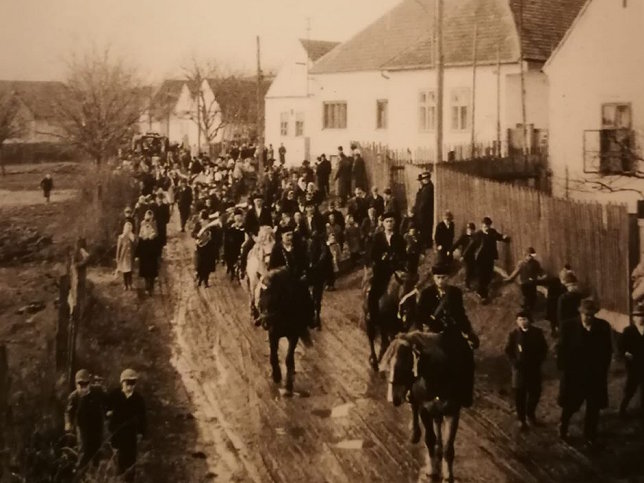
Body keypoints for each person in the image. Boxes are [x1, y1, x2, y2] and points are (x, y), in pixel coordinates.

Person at [402, 264, 479, 407]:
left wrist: (469, 332)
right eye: (438, 278)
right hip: (432, 332)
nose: (441, 281)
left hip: (451, 332)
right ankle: (410, 391)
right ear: (433, 278)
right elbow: (420, 315)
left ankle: (465, 395)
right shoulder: (427, 293)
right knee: (415, 358)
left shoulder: (455, 293)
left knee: (467, 356)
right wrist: (433, 322)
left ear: (448, 278)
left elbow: (460, 314)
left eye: (444, 278)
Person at [557, 298, 612, 445]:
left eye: (591, 315)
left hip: (595, 375)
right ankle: (563, 426)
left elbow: (608, 350)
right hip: (574, 375)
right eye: (586, 314)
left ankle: (590, 435)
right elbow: (561, 350)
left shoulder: (603, 327)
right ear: (580, 312)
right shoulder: (568, 326)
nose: (588, 318)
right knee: (571, 404)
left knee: (593, 407)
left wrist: (602, 369)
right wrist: (565, 370)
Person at [505, 311, 548, 430]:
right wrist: (514, 363)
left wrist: (539, 360)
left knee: (535, 393)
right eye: (520, 320)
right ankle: (521, 419)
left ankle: (530, 413)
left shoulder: (537, 333)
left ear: (530, 320)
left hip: (533, 369)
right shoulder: (514, 335)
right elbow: (508, 351)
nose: (523, 322)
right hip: (519, 371)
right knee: (520, 396)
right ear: (517, 322)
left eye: (525, 319)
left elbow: (544, 348)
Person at [107, 369, 146, 482]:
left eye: (133, 383)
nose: (130, 386)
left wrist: (141, 433)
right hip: (116, 435)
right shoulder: (114, 395)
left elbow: (143, 418)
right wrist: (108, 414)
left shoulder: (138, 399)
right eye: (127, 383)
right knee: (117, 463)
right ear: (122, 382)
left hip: (131, 436)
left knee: (130, 463)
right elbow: (106, 409)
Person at [367, 212, 406, 323]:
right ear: (383, 223)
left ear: (394, 223)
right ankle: (373, 315)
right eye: (387, 221)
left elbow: (403, 254)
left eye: (391, 221)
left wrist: (397, 258)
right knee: (374, 291)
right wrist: (382, 257)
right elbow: (373, 254)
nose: (389, 223)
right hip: (381, 269)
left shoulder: (399, 238)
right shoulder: (378, 237)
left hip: (396, 269)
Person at [65, 369, 106, 469]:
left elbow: (107, 400)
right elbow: (68, 412)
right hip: (83, 427)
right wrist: (68, 423)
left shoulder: (97, 391)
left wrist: (109, 411)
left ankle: (95, 474)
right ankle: (81, 474)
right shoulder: (74, 397)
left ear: (89, 383)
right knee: (84, 450)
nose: (84, 388)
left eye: (86, 384)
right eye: (81, 384)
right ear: (76, 384)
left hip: (97, 426)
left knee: (96, 450)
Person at [471, 217, 510, 303]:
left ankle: (483, 290)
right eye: (485, 226)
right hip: (481, 259)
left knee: (488, 275)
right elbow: (471, 246)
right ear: (482, 225)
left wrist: (504, 237)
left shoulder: (492, 232)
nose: (486, 227)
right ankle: (482, 295)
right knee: (482, 276)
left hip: (490, 258)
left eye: (488, 226)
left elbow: (498, 236)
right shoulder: (478, 235)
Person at [619, 302, 644, 421]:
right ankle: (622, 409)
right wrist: (625, 353)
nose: (640, 318)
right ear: (633, 318)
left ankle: (642, 412)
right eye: (637, 316)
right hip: (633, 365)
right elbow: (621, 346)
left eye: (642, 315)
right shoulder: (629, 330)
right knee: (630, 389)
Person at [504, 247, 546, 312]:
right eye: (529, 256)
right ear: (525, 255)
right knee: (526, 296)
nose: (531, 257)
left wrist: (543, 275)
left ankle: (530, 308)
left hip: (532, 283)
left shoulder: (535, 263)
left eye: (533, 256)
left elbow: (539, 271)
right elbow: (516, 272)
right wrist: (510, 278)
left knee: (533, 296)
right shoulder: (521, 264)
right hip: (524, 283)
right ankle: (527, 307)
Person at [136, 210, 159, 295]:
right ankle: (147, 286)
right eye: (146, 219)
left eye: (149, 219)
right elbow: (140, 241)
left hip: (152, 252)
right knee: (145, 270)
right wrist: (137, 254)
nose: (147, 221)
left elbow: (157, 239)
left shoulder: (154, 226)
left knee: (152, 270)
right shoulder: (142, 227)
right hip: (145, 252)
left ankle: (151, 287)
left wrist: (152, 237)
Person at [412, 171, 434, 249]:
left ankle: (427, 245)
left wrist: (417, 212)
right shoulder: (424, 188)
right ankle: (424, 244)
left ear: (428, 179)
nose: (421, 181)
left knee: (426, 229)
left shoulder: (429, 188)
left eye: (424, 179)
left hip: (425, 213)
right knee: (423, 229)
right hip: (422, 213)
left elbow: (424, 203)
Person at [223, 210, 246, 281]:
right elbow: (227, 237)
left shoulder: (245, 225)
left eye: (240, 216)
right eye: (236, 217)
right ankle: (232, 270)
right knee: (230, 253)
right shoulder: (231, 226)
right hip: (233, 246)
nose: (238, 218)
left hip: (242, 243)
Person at [453, 222, 476, 290]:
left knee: (472, 268)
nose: (470, 231)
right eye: (468, 229)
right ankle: (467, 284)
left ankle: (471, 281)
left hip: (472, 256)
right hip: (465, 256)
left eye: (471, 229)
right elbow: (457, 244)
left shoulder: (475, 238)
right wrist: (450, 251)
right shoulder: (464, 237)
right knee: (468, 269)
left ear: (473, 230)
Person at [116, 221, 137, 291]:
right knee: (125, 271)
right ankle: (125, 285)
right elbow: (118, 248)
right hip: (124, 256)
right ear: (125, 228)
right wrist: (117, 257)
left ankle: (130, 284)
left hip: (130, 256)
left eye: (129, 228)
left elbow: (135, 246)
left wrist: (136, 255)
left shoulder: (132, 236)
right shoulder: (121, 237)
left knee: (130, 271)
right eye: (127, 228)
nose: (128, 229)